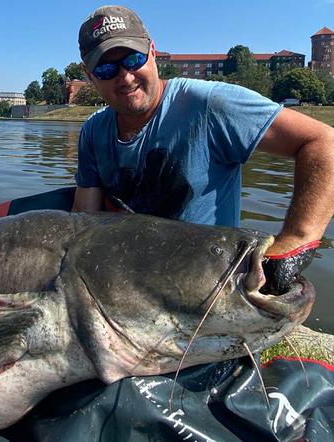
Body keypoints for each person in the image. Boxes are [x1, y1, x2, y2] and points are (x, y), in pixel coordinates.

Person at [72, 5, 334, 294]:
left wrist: (297, 239)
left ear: (152, 51)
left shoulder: (210, 105)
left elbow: (324, 141)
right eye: (107, 68)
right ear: (89, 74)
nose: (126, 77)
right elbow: (84, 221)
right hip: (127, 284)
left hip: (206, 289)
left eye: (134, 59)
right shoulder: (94, 131)